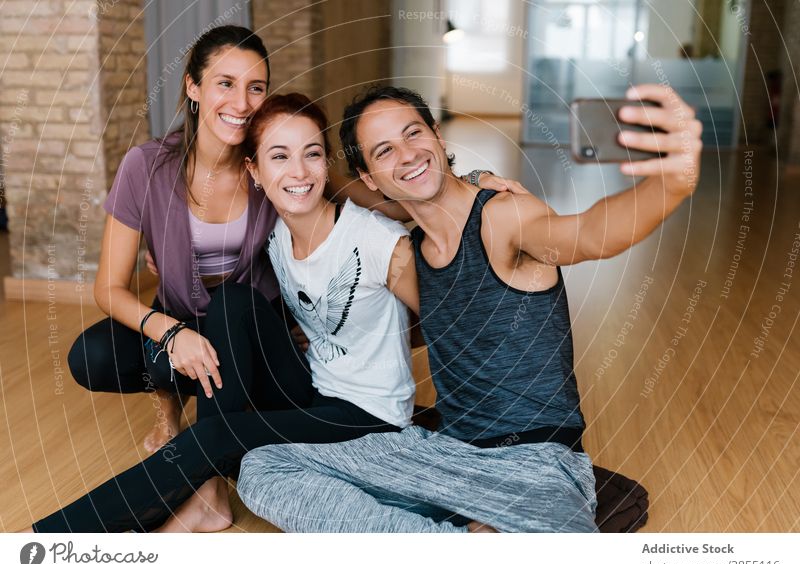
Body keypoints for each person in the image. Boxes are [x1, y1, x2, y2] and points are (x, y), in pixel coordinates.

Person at [236, 84, 703, 532]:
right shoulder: (410, 249)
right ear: (369, 178)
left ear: (438, 136)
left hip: (534, 465)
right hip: (441, 456)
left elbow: (587, 234)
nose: (407, 155)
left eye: (413, 133)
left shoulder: (502, 218)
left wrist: (674, 182)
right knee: (262, 466)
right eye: (383, 151)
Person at [21, 92, 425, 533]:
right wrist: (163, 259)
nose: (298, 172)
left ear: (327, 161)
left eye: (312, 154)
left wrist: (382, 348)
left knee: (213, 436)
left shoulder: (380, 241)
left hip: (367, 416)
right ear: (254, 170)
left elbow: (444, 322)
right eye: (279, 156)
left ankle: (43, 545)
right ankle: (207, 495)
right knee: (233, 298)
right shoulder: (275, 236)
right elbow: (218, 264)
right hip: (311, 387)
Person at [66, 25, 412, 453]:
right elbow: (108, 288)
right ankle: (171, 406)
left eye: (256, 88)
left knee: (230, 305)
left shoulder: (275, 163)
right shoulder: (146, 165)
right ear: (193, 86)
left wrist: (468, 187)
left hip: (248, 319)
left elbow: (389, 204)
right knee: (92, 357)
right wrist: (170, 333)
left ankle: (227, 417)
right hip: (178, 313)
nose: (242, 103)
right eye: (225, 84)